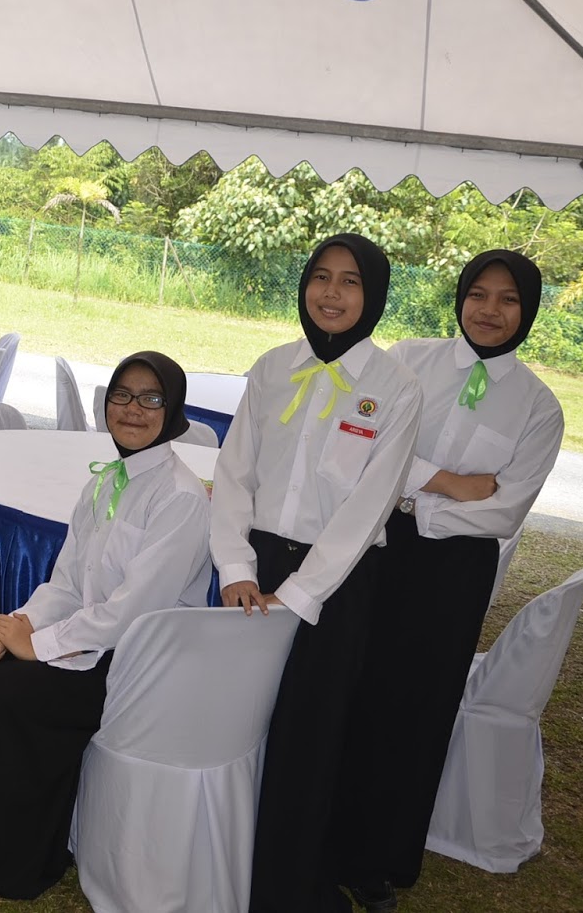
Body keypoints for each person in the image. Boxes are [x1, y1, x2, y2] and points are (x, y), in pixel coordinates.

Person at [0, 352, 213, 900]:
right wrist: (7, 634)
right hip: (90, 644)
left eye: (151, 398)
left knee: (9, 694)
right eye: (121, 395)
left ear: (173, 409)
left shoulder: (180, 498)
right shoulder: (104, 483)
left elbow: (131, 613)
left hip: (135, 666)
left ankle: (7, 860)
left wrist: (37, 647)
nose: (133, 409)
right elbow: (64, 585)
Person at [329, 250, 563, 912]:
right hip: (374, 543)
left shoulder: (540, 407)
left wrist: (415, 493)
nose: (489, 310)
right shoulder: (409, 359)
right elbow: (361, 444)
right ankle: (319, 833)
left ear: (528, 311)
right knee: (347, 682)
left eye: (508, 299)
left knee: (417, 709)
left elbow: (505, 510)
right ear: (460, 297)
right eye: (478, 294)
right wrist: (450, 483)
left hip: (453, 572)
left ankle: (378, 861)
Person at [210, 233, 422, 913]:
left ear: (374, 295)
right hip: (254, 568)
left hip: (336, 581)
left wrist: (298, 594)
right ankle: (221, 858)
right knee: (237, 717)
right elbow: (233, 474)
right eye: (320, 277)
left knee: (309, 730)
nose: (331, 293)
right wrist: (236, 566)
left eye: (350, 281)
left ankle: (285, 881)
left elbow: (369, 507)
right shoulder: (273, 367)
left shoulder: (396, 387)